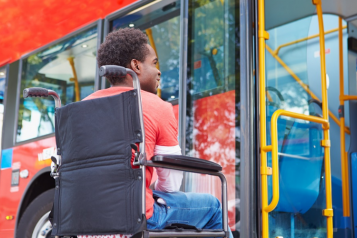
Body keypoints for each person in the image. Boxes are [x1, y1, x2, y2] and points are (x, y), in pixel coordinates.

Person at [81, 28, 233, 238]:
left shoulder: (82, 107)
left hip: (83, 219)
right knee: (214, 206)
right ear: (136, 66)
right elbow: (170, 184)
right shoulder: (156, 105)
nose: (159, 71)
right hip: (136, 216)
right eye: (154, 63)